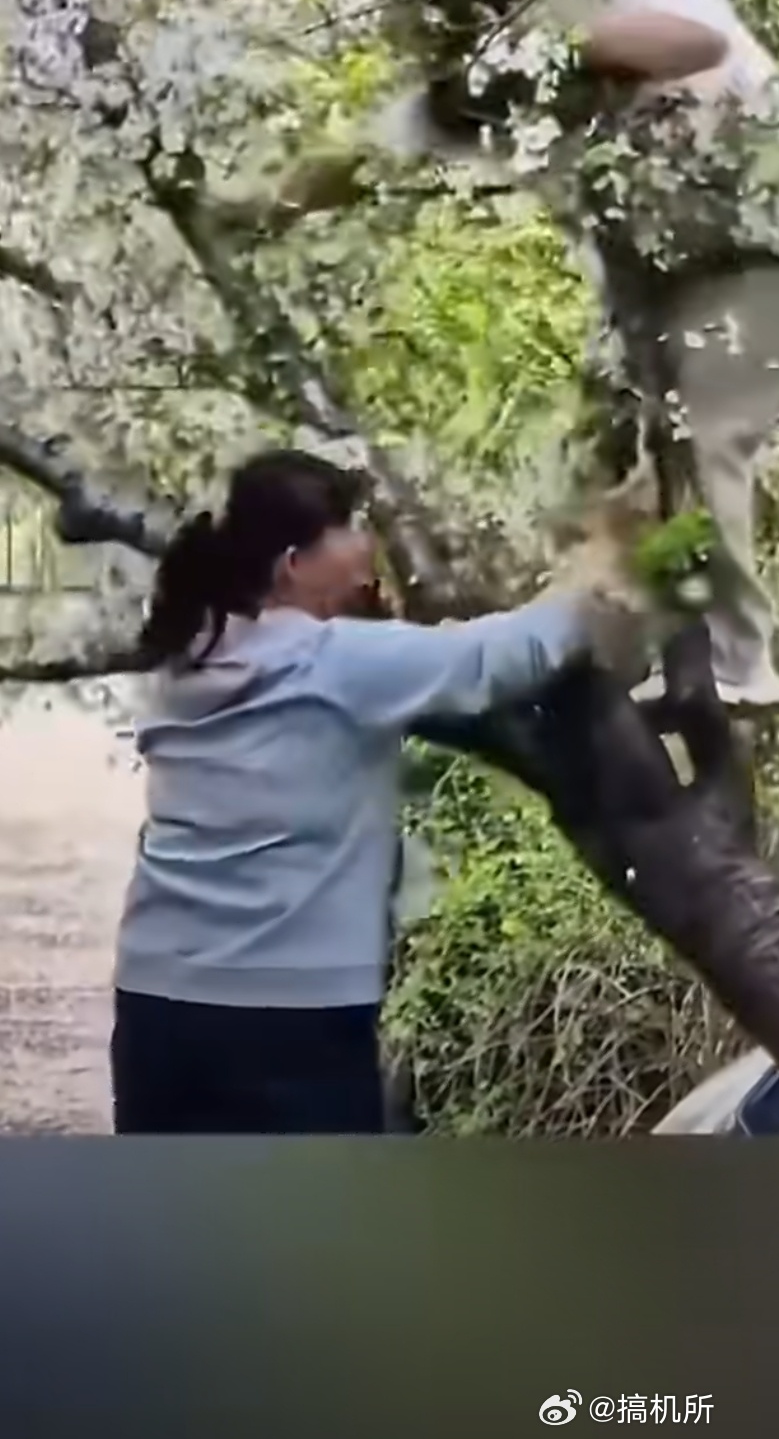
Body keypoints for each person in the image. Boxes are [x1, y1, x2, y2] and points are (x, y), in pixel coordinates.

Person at [377, 0, 779, 714]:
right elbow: (438, 127)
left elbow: (689, 42)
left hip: (771, 221)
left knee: (712, 430)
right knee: (637, 443)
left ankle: (741, 660)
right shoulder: (508, 51)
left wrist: (564, 55)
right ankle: (654, 646)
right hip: (675, 242)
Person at [111, 447, 640, 1136]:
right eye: (346, 525)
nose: (364, 539)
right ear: (293, 565)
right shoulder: (336, 664)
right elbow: (504, 653)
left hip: (158, 1000)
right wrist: (616, 569)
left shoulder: (188, 653)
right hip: (290, 1017)